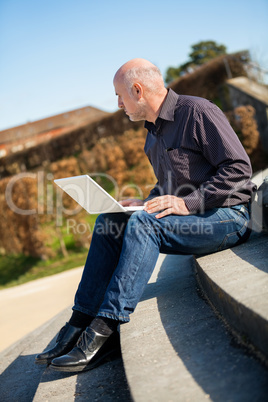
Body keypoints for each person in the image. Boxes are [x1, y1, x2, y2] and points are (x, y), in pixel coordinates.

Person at [35, 58, 255, 372]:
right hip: (195, 220)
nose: (118, 103)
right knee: (112, 220)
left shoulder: (197, 112)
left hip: (229, 216)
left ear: (138, 90)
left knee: (144, 225)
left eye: (119, 95)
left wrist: (186, 203)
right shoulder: (152, 134)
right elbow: (169, 186)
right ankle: (79, 321)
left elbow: (238, 170)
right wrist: (142, 201)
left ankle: (106, 329)